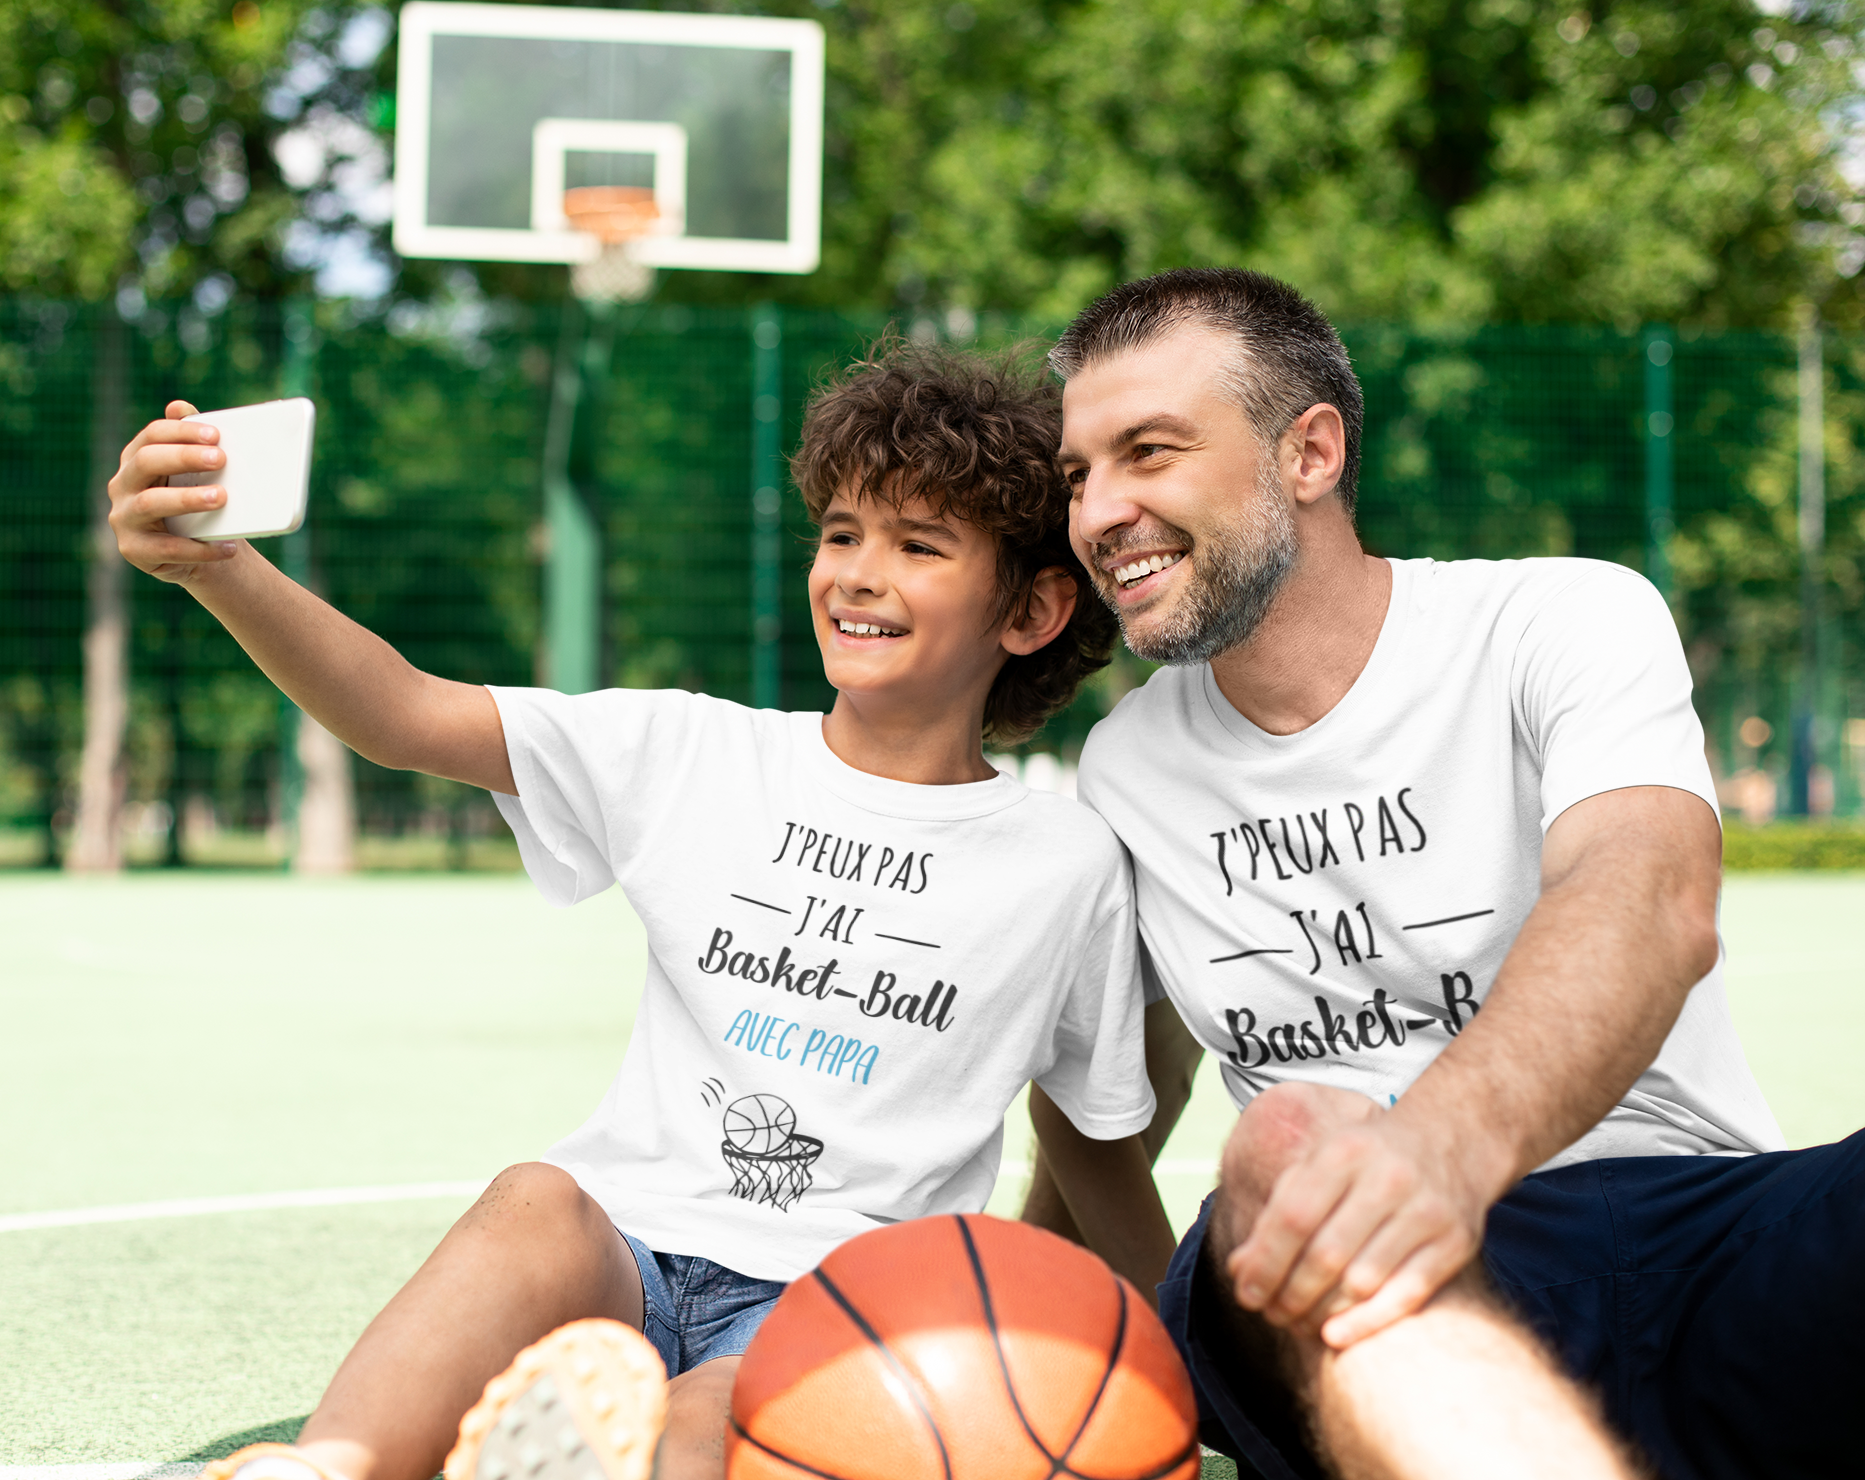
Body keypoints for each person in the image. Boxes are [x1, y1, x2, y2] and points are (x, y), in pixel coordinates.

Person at [104, 340, 1175, 1480]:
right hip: (624, 1254)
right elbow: (403, 713)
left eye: (919, 545)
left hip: (846, 1300)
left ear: (1034, 609)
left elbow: (1090, 1130)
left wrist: (1181, 1350)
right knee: (535, 1202)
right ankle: (329, 1466)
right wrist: (220, 569)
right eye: (841, 533)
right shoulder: (690, 751)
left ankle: (603, 1448)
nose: (858, 572)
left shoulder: (1065, 863)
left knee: (721, 1410)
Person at [1045, 267, 1865, 1480]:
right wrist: (1044, 1327)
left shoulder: (1558, 619)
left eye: (1147, 451)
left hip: (1689, 1231)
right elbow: (1110, 1096)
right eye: (1079, 474)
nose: (1097, 511)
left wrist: (1443, 1147)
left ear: (1309, 453)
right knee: (1288, 1135)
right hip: (1346, 1287)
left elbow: (1648, 893)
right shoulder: (1127, 766)